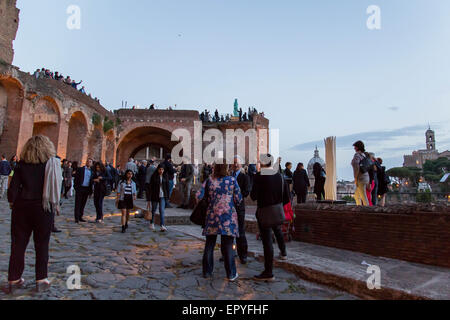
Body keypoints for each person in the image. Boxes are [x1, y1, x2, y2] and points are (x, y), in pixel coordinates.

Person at [2, 136, 61, 293]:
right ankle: (41, 280)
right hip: (43, 207)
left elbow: (13, 188)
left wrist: (12, 202)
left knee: (18, 244)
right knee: (42, 244)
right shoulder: (50, 165)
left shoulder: (21, 165)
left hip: (22, 206)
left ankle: (14, 280)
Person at [196, 160, 242, 282]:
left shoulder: (209, 180)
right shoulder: (232, 180)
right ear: (226, 168)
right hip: (228, 217)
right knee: (228, 246)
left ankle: (207, 272)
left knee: (209, 244)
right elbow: (238, 198)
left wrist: (211, 202)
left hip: (212, 216)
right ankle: (231, 274)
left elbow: (198, 196)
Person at [250, 154, 289, 281]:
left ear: (262, 163)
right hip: (277, 210)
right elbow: (286, 197)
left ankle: (268, 272)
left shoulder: (259, 176)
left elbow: (253, 196)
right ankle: (283, 252)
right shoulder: (280, 176)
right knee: (278, 231)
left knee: (267, 242)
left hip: (264, 211)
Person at [232, 156, 250, 265]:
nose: (235, 165)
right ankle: (228, 253)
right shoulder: (229, 177)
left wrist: (236, 196)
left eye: (237, 163)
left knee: (240, 232)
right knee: (228, 233)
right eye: (234, 163)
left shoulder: (244, 177)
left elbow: (246, 192)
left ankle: (243, 255)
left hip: (239, 208)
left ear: (241, 164)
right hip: (229, 208)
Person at [149, 164, 170, 232]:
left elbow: (167, 187)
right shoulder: (154, 176)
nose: (161, 171)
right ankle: (152, 222)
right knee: (154, 210)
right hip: (155, 195)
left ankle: (162, 225)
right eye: (160, 169)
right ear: (157, 169)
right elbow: (150, 187)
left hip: (163, 196)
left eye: (162, 169)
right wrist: (149, 198)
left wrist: (168, 197)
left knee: (162, 210)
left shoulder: (165, 176)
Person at [73, 158, 94, 223]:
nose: (89, 162)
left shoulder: (92, 171)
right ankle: (76, 218)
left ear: (91, 163)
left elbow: (91, 181)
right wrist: (76, 187)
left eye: (90, 162)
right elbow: (76, 179)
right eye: (88, 161)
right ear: (86, 162)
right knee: (78, 203)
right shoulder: (80, 169)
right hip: (80, 188)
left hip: (87, 189)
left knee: (83, 204)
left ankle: (80, 216)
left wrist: (91, 191)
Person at [351, 141, 370, 206]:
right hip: (366, 176)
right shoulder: (364, 155)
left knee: (363, 195)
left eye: (355, 147)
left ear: (357, 147)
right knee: (356, 195)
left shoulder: (357, 155)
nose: (354, 148)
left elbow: (356, 166)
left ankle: (367, 209)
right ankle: (359, 207)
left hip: (360, 177)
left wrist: (355, 178)